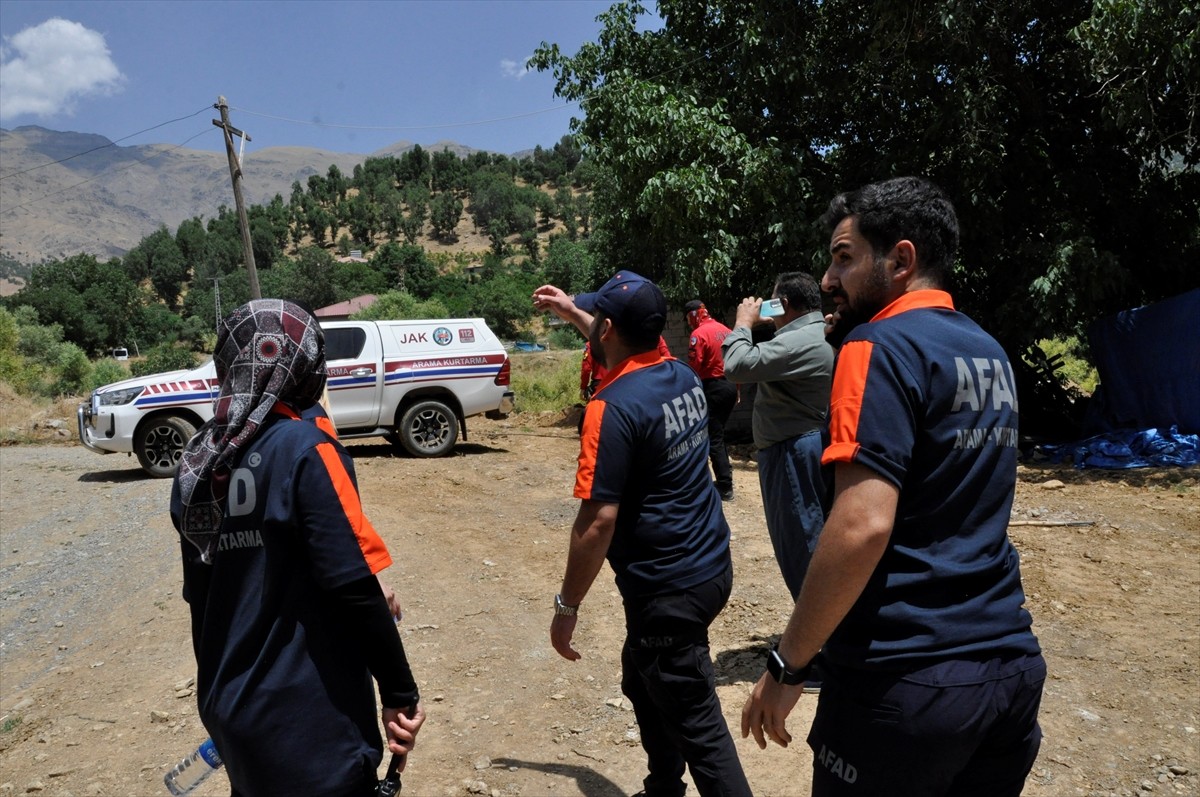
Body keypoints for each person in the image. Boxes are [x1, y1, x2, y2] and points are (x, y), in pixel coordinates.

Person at [740, 177, 1045, 796]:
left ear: (900, 260)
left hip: (905, 681)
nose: (828, 279)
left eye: (844, 257)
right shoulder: (988, 350)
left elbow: (862, 523)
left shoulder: (874, 346)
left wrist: (788, 663)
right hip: (1009, 670)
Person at [171, 299, 425, 797]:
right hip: (307, 723)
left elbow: (209, 593)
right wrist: (399, 692)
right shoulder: (306, 450)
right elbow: (351, 584)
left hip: (231, 710)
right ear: (305, 366)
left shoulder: (198, 463)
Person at [532, 274, 752, 797]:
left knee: (699, 726)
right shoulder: (679, 373)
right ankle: (662, 787)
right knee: (640, 675)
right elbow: (619, 344)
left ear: (608, 329)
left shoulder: (610, 408)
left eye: (594, 318)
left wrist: (567, 608)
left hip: (667, 589)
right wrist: (572, 311)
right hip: (709, 566)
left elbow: (597, 522)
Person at [722, 273, 834, 600]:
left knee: (801, 543)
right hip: (810, 445)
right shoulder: (824, 332)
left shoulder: (796, 342)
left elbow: (736, 365)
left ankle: (816, 640)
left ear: (782, 303)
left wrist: (743, 322)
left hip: (792, 455)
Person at [684, 300, 738, 501]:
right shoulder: (726, 330)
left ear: (694, 315)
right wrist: (737, 388)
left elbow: (695, 366)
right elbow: (736, 361)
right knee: (718, 434)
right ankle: (723, 479)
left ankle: (725, 486)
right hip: (729, 386)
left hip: (712, 388)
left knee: (712, 437)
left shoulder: (698, 335)